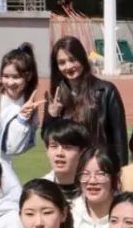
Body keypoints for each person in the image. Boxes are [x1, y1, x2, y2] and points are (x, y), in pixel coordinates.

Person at [44, 36, 128, 165]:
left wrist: (121, 170)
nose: (68, 66)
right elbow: (47, 138)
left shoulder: (105, 91)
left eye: (73, 60)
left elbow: (119, 137)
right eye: (62, 62)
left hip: (98, 165)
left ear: (82, 58)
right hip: (68, 167)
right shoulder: (55, 95)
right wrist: (52, 116)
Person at [71, 147, 120, 228]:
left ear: (115, 177)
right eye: (85, 174)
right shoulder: (69, 215)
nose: (92, 181)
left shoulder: (127, 215)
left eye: (101, 174)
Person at [42, 118, 91, 201]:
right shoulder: (40, 190)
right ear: (47, 150)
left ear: (82, 152)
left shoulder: (95, 189)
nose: (59, 153)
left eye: (67, 147)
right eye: (54, 146)